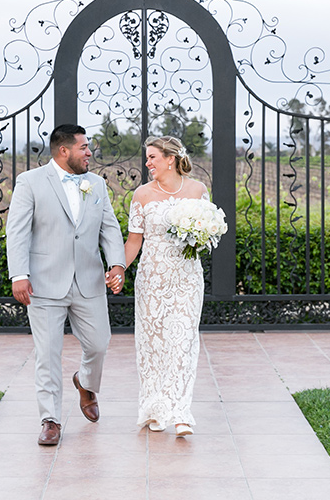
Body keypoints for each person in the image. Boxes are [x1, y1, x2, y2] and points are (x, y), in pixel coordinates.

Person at [6, 124, 126, 446]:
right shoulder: (29, 182)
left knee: (99, 343)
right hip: (43, 283)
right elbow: (17, 231)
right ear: (64, 151)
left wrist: (117, 264)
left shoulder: (97, 184)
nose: (90, 153)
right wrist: (19, 274)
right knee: (48, 353)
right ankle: (51, 419)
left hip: (89, 280)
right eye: (84, 147)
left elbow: (110, 229)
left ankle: (85, 381)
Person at [123, 135, 210, 437]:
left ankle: (181, 412)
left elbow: (207, 233)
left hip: (187, 277)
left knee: (184, 341)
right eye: (147, 158)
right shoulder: (142, 195)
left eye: (152, 158)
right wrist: (118, 269)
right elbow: (134, 242)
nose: (147, 164)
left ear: (170, 159)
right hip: (152, 278)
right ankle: (155, 408)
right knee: (153, 342)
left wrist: (199, 236)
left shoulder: (198, 190)